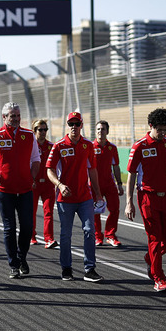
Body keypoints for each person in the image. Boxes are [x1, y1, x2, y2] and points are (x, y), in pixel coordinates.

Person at [125, 108, 166, 291]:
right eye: (160, 130)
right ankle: (159, 278)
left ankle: (150, 258)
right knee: (154, 238)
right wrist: (129, 202)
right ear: (151, 126)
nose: (163, 133)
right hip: (148, 198)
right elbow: (131, 175)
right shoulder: (140, 146)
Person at [0, 102, 40, 279]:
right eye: (12, 116)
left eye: (18, 115)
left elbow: (36, 159)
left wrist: (32, 178)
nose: (16, 119)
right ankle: (13, 264)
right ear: (4, 117)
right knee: (9, 227)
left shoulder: (29, 135)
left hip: (24, 189)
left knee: (27, 227)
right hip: (3, 190)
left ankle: (22, 258)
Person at [46, 112, 104, 282]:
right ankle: (66, 268)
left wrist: (98, 194)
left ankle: (90, 269)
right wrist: (59, 185)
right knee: (65, 235)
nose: (73, 126)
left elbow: (92, 170)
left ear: (81, 125)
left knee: (90, 231)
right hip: (65, 200)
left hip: (85, 197)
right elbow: (49, 169)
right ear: (67, 125)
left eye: (76, 123)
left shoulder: (87, 145)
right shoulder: (58, 146)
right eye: (70, 123)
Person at [92, 120, 124, 247]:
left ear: (107, 131)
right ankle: (97, 237)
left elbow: (116, 166)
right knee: (95, 211)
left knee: (115, 209)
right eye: (98, 129)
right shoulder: (90, 147)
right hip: (94, 185)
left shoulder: (112, 148)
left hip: (109, 184)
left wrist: (120, 184)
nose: (101, 131)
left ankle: (110, 235)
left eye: (103, 129)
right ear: (96, 131)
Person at [30, 119, 58, 249]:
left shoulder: (52, 147)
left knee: (48, 212)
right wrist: (31, 180)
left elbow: (56, 166)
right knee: (32, 211)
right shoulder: (30, 145)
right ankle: (31, 236)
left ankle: (49, 238)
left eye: (45, 129)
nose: (43, 132)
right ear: (34, 131)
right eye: (40, 130)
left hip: (48, 184)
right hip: (33, 184)